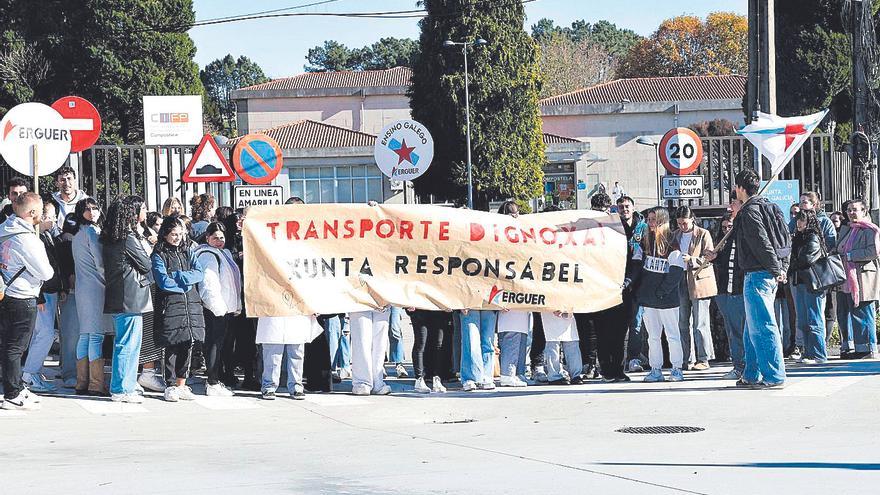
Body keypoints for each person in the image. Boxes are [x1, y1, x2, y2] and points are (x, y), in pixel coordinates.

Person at [733, 169, 788, 389]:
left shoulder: (749, 212)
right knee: (752, 326)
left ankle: (774, 376)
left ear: (740, 188)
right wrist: (782, 267)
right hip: (767, 274)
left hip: (758, 275)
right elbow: (784, 240)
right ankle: (751, 373)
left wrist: (776, 269)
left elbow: (761, 243)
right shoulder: (769, 206)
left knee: (763, 325)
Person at [0, 193, 54, 410]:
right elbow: (46, 272)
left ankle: (18, 387)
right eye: (40, 210)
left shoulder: (4, 229)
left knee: (11, 345)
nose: (42, 214)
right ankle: (12, 393)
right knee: (15, 347)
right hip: (22, 296)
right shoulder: (27, 238)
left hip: (6, 292)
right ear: (32, 213)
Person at [626, 207, 686, 382]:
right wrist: (631, 284)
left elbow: (676, 272)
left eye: (653, 219)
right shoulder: (645, 241)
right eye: (649, 219)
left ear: (662, 221)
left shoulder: (672, 242)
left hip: (666, 299)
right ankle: (655, 369)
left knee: (672, 334)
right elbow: (637, 265)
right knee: (653, 336)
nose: (649, 223)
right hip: (648, 298)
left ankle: (677, 368)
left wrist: (662, 291)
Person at [151, 214, 206, 402]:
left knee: (188, 343)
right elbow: (163, 281)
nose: (177, 237)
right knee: (171, 346)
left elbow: (199, 273)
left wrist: (182, 277)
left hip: (190, 304)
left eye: (180, 234)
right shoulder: (159, 253)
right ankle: (170, 384)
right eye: (174, 234)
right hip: (170, 305)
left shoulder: (188, 251)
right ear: (165, 233)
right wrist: (183, 282)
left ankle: (182, 383)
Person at [103, 196, 152, 403]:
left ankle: (126, 384)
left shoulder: (111, 236)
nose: (145, 212)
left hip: (120, 294)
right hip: (130, 296)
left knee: (126, 343)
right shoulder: (129, 237)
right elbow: (146, 263)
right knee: (129, 343)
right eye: (142, 208)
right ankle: (122, 388)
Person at [21, 200, 67, 393]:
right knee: (46, 333)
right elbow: (35, 269)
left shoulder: (48, 236)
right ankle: (29, 373)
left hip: (51, 291)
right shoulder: (36, 237)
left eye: (53, 216)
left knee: (41, 334)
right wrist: (39, 296)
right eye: (48, 216)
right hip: (43, 292)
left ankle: (33, 371)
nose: (52, 220)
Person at [194, 222, 242, 396]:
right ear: (207, 238)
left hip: (226, 307)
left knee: (222, 345)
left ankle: (217, 379)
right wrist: (217, 307)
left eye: (222, 237)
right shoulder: (208, 255)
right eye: (215, 237)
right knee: (214, 344)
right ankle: (212, 381)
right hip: (216, 308)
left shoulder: (224, 253)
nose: (219, 241)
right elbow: (209, 283)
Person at [53, 166, 90, 388]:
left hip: (88, 276)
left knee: (85, 329)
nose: (66, 182)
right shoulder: (53, 204)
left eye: (69, 178)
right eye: (62, 179)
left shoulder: (88, 202)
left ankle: (81, 372)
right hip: (67, 276)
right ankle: (69, 371)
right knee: (69, 327)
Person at [71, 198, 112, 396]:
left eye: (95, 208)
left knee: (85, 335)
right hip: (96, 287)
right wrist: (109, 281)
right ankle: (96, 384)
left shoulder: (78, 233)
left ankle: (82, 382)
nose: (92, 212)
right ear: (81, 212)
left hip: (81, 287)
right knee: (95, 335)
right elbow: (100, 262)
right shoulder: (92, 232)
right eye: (87, 209)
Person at [673, 206, 718, 370]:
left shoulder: (703, 234)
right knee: (682, 322)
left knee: (700, 322)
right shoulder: (675, 235)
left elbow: (709, 256)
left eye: (684, 223)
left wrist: (691, 259)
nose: (682, 227)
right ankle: (686, 358)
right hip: (681, 280)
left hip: (699, 280)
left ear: (691, 219)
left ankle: (703, 358)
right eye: (679, 223)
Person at [834, 198, 879, 359]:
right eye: (849, 210)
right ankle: (857, 348)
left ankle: (868, 349)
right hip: (847, 278)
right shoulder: (848, 229)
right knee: (851, 313)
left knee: (864, 312)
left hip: (864, 277)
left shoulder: (870, 230)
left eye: (855, 210)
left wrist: (850, 255)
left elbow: (873, 252)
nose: (852, 213)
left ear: (864, 211)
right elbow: (840, 247)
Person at [709, 207, 746, 380]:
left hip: (737, 290)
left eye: (729, 226)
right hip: (723, 290)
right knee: (731, 329)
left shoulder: (740, 239)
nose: (726, 230)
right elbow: (722, 261)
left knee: (740, 330)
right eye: (723, 227)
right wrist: (713, 256)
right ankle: (738, 364)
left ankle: (742, 365)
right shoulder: (722, 242)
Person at [788, 210, 829, 364]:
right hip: (800, 281)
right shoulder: (798, 237)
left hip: (812, 283)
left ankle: (819, 354)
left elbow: (806, 259)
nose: (799, 223)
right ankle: (808, 353)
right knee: (803, 320)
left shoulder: (812, 237)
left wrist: (790, 265)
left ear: (809, 222)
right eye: (798, 219)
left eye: (802, 220)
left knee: (814, 318)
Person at [257, 315, 323, 400]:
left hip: (297, 316)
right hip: (273, 314)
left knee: (296, 354)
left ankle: (296, 386)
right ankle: (269, 386)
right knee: (272, 354)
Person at [617, 195, 649, 374]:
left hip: (638, 283)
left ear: (633, 207)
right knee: (619, 323)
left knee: (636, 322)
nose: (624, 209)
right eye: (621, 207)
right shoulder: (614, 227)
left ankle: (634, 358)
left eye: (627, 206)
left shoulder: (643, 228)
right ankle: (618, 359)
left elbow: (642, 256)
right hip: (618, 282)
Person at [350, 308, 393, 395]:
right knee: (362, 340)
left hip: (382, 299)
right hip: (359, 301)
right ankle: (362, 382)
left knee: (380, 343)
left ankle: (377, 382)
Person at [409, 309, 452, 393]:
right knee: (421, 343)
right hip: (419, 309)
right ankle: (419, 379)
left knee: (439, 344)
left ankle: (437, 377)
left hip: (438, 310)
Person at [540, 311, 583, 385]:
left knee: (572, 342)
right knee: (553, 343)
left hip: (568, 308)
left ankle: (576, 375)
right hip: (550, 311)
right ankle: (554, 376)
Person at [496, 309, 529, 387]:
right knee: (511, 339)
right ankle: (507, 375)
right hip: (509, 312)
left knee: (519, 340)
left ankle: (516, 375)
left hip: (520, 312)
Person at [388, 306, 408, 378]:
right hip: (378, 299)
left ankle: (399, 364)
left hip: (394, 300)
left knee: (395, 330)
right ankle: (379, 365)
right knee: (380, 332)